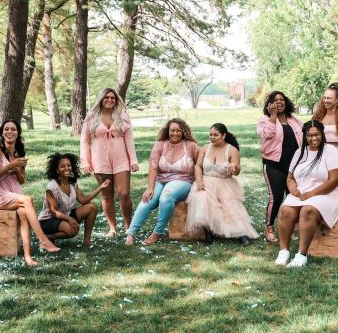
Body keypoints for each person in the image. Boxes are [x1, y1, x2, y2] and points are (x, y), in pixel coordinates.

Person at [0, 120, 60, 266]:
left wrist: (17, 169)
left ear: (18, 133)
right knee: (27, 200)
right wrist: (10, 166)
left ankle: (28, 256)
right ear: (2, 133)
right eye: (6, 129)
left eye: (13, 129)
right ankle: (42, 239)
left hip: (13, 189)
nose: (9, 132)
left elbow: (22, 180)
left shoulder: (19, 152)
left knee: (23, 213)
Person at [274, 120, 338, 268]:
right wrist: (293, 189)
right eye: (309, 135)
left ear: (322, 134)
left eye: (316, 134)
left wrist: (312, 194)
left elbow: (335, 179)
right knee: (285, 210)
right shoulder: (300, 151)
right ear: (305, 136)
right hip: (302, 193)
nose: (313, 138)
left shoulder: (330, 150)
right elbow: (290, 177)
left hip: (326, 194)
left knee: (308, 210)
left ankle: (301, 255)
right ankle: (284, 251)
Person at [126, 118, 199, 246]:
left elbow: (200, 165)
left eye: (178, 131)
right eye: (172, 130)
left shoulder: (191, 146)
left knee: (166, 197)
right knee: (148, 199)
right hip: (161, 179)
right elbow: (153, 167)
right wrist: (150, 188)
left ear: (183, 132)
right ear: (167, 131)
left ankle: (156, 233)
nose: (175, 133)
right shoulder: (160, 144)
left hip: (183, 181)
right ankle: (131, 234)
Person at [186, 123, 259, 246]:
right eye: (211, 135)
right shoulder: (205, 148)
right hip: (206, 181)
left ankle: (241, 233)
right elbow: (198, 166)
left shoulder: (232, 150)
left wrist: (234, 167)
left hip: (225, 183)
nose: (212, 137)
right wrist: (199, 182)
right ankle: (208, 234)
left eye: (216, 135)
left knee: (230, 206)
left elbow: (237, 171)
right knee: (201, 198)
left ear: (223, 135)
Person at [80, 88, 139, 238]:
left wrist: (133, 160)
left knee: (124, 193)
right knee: (107, 195)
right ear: (101, 99)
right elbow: (85, 141)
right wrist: (85, 162)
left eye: (113, 98)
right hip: (100, 159)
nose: (110, 100)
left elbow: (129, 140)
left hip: (121, 159)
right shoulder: (91, 117)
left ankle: (128, 226)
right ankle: (112, 228)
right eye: (107, 97)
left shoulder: (122, 116)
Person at [258, 91, 303, 242]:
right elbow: (267, 135)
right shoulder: (264, 120)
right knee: (276, 197)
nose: (279, 102)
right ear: (269, 104)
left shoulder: (294, 120)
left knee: (294, 195)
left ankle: (294, 226)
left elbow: (305, 136)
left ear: (286, 102)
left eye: (281, 99)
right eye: (275, 100)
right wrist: (273, 116)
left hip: (294, 166)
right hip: (274, 165)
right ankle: (269, 226)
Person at [37, 153, 109, 246]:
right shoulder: (52, 187)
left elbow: (83, 200)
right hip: (48, 220)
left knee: (92, 207)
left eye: (69, 165)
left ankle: (87, 241)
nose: (67, 168)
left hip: (65, 215)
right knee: (73, 231)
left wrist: (100, 188)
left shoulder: (72, 183)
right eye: (62, 166)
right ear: (57, 170)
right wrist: (70, 219)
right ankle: (46, 237)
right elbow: (53, 212)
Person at [311, 82, 338, 153]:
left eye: (329, 98)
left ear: (337, 99)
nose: (325, 101)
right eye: (324, 98)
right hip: (320, 152)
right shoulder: (318, 116)